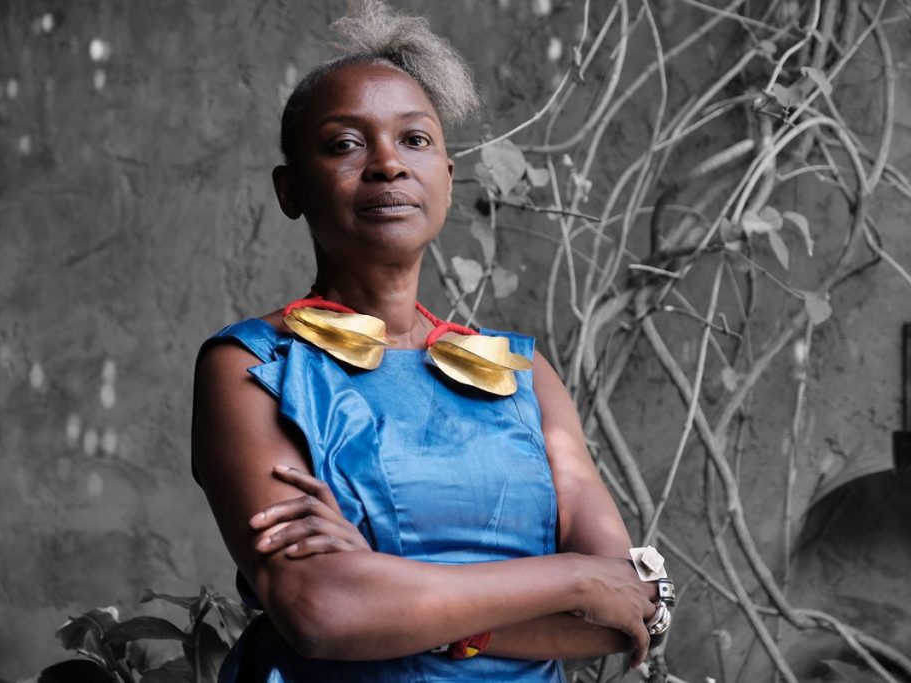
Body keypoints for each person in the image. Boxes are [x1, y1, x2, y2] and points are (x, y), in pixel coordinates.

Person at [191, 2, 671, 680]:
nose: (388, 163)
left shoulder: (520, 371)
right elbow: (322, 611)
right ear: (290, 189)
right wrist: (571, 577)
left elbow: (625, 611)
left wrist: (393, 592)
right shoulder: (252, 365)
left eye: (415, 139)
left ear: (446, 179)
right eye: (344, 144)